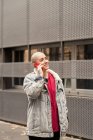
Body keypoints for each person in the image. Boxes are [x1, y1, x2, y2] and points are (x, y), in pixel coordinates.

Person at [23, 52, 68, 140]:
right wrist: (40, 76)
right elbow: (32, 93)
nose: (46, 61)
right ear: (35, 64)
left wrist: (65, 118)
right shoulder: (30, 78)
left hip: (56, 129)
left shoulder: (56, 77)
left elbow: (62, 100)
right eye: (41, 60)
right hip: (39, 131)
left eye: (46, 58)